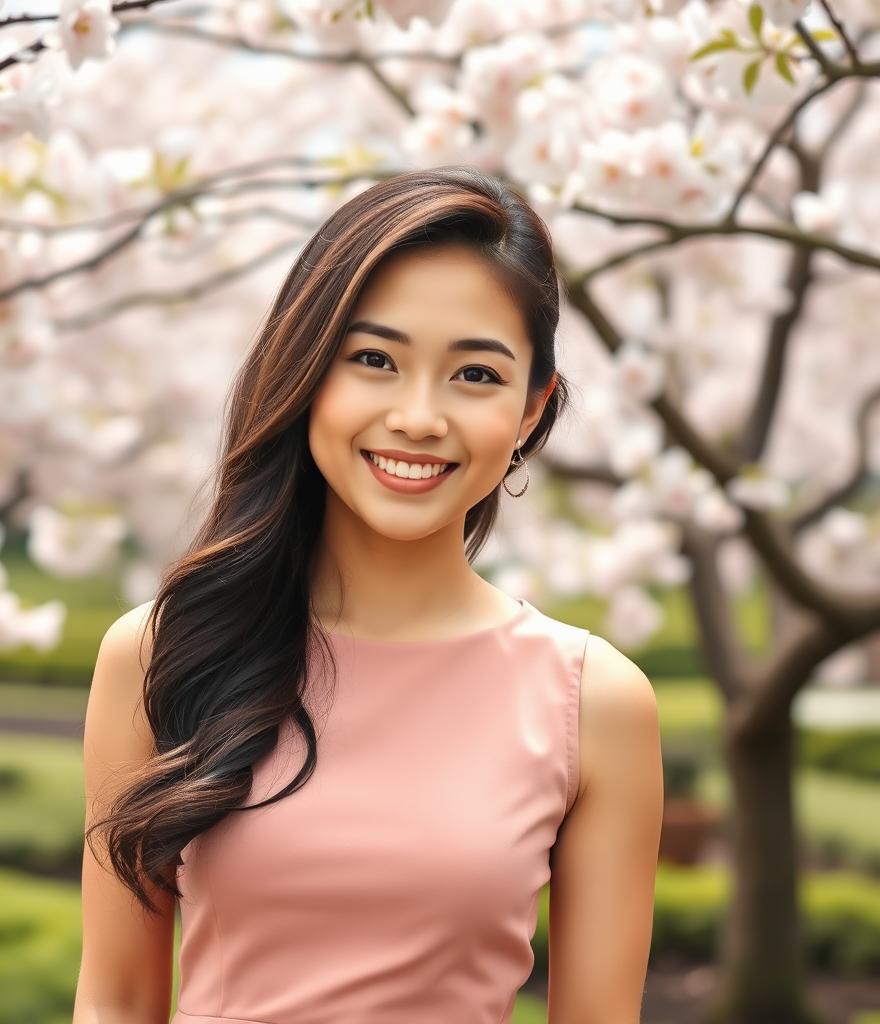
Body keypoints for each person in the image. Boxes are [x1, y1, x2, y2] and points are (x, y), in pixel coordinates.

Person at [73, 166, 663, 1024]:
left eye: (476, 376)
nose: (419, 417)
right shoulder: (164, 653)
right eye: (375, 360)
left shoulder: (594, 700)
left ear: (533, 410)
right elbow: (118, 1002)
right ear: (308, 371)